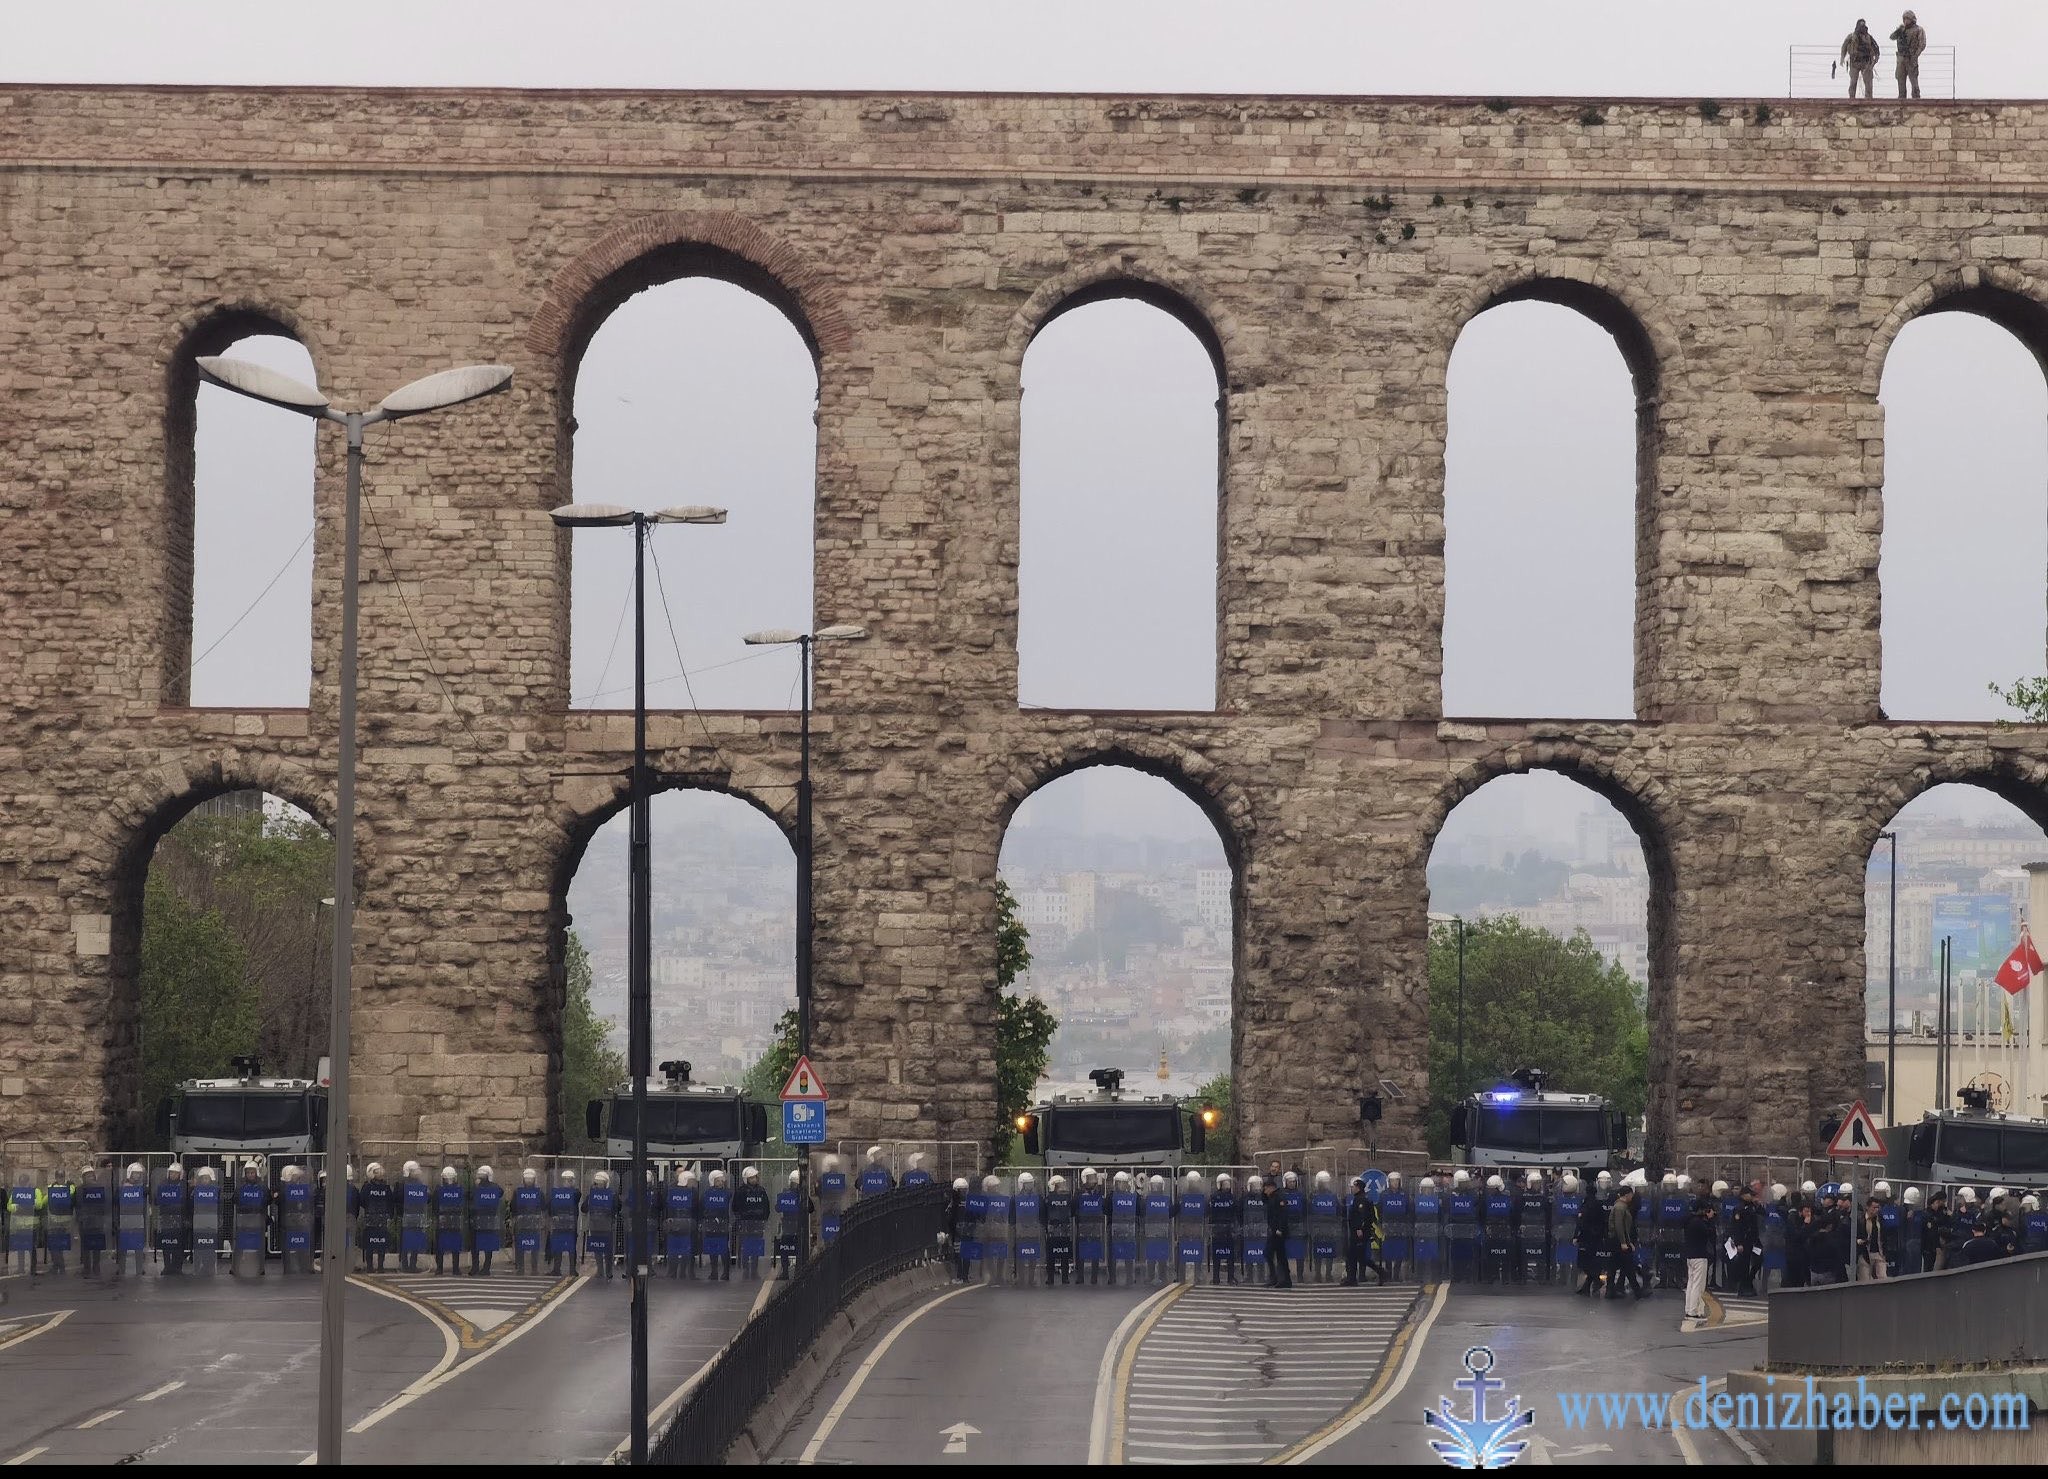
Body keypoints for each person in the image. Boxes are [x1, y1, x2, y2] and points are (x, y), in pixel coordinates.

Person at [1343, 1176, 1387, 1286]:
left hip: (1359, 1233)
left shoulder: (1361, 1200)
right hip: (1357, 1232)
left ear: (1358, 1188)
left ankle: (1379, 1273)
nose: (1352, 1189)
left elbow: (1361, 1216)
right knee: (1356, 1257)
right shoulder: (1358, 1198)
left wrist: (1359, 1228)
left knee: (1355, 1256)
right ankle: (1353, 1278)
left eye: (1353, 1187)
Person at [1607, 1186, 1647, 1300]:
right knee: (1627, 1266)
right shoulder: (1620, 1207)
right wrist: (1624, 1243)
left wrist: (1629, 1242)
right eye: (1631, 1194)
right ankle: (1637, 1292)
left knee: (1615, 1266)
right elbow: (1620, 1226)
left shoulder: (1622, 1206)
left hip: (1620, 1240)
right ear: (1627, 1195)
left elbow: (1625, 1227)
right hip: (1618, 1241)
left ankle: (1611, 1290)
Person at [1682, 1191, 1715, 1319]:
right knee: (1697, 1285)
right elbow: (1709, 1233)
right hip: (1699, 1256)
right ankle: (1693, 1311)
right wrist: (1710, 1220)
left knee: (1691, 1283)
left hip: (1690, 1255)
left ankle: (1689, 1308)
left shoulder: (1689, 1220)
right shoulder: (1698, 1223)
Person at [735, 1166, 771, 1279]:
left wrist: (764, 1218)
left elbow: (766, 1206)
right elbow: (735, 1207)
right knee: (745, 1246)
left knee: (756, 1246)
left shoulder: (761, 1191)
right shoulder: (741, 1191)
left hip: (758, 1222)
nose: (754, 1179)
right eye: (751, 1178)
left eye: (755, 1177)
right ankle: (746, 1269)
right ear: (746, 1179)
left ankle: (754, 1270)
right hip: (745, 1222)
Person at [154, 1163, 190, 1275]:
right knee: (166, 1243)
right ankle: (167, 1267)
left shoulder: (184, 1185)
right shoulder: (163, 1184)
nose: (173, 1175)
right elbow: (157, 1200)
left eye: (175, 1173)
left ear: (180, 1174)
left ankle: (177, 1267)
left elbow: (186, 1202)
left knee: (179, 1244)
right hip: (166, 1217)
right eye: (171, 1173)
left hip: (180, 1217)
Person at [469, 1165, 502, 1276]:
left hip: (477, 1219)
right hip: (490, 1220)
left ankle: (475, 1267)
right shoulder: (495, 1187)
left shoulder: (477, 1188)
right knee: (488, 1245)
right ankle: (486, 1268)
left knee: (475, 1245)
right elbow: (500, 1193)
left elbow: (470, 1197)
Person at [1729, 1186, 1761, 1297]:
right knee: (1744, 1265)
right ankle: (1743, 1288)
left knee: (1759, 1260)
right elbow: (1737, 1227)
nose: (1752, 1197)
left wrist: (1758, 1205)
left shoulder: (1751, 1207)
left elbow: (1761, 1215)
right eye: (1750, 1195)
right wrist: (1739, 1243)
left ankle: (1748, 1282)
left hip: (1753, 1240)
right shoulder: (1739, 1208)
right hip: (1744, 1241)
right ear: (1744, 1195)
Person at [434, 1167, 466, 1276]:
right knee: (455, 1246)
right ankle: (456, 1269)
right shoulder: (459, 1190)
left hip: (442, 1222)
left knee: (440, 1246)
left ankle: (439, 1269)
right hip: (455, 1222)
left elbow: (435, 1206)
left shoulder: (439, 1190)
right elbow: (462, 1205)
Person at [1264, 1173, 1294, 1288]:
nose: (1264, 1191)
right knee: (1274, 1254)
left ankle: (1283, 1279)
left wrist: (1279, 1229)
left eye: (1266, 1188)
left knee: (1275, 1254)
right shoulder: (1271, 1197)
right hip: (1274, 1230)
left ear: (1271, 1187)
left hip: (1278, 1231)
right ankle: (1280, 1278)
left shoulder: (1279, 1196)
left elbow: (1283, 1214)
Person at [1840, 18, 1880, 98]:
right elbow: (1844, 46)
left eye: (1863, 24)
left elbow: (1875, 48)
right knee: (1853, 82)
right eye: (1860, 24)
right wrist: (1842, 57)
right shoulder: (1852, 36)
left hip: (1866, 62)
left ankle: (1868, 100)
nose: (1862, 26)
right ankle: (1852, 98)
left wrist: (1876, 58)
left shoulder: (1868, 37)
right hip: (1855, 62)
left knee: (1868, 83)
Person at [1890, 10, 1926, 98]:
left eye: (1908, 18)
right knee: (1900, 78)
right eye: (1904, 19)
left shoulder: (1919, 29)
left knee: (1913, 79)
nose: (1906, 21)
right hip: (1901, 58)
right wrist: (1899, 30)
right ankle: (1901, 97)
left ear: (1912, 19)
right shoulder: (1901, 30)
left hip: (1911, 58)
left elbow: (1922, 44)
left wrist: (1915, 55)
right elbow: (1892, 37)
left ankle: (1916, 97)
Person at [944, 1177, 971, 1283]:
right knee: (961, 1254)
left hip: (961, 1231)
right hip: (964, 1230)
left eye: (965, 1190)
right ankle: (963, 1276)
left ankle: (963, 1276)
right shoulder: (957, 1202)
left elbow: (949, 1217)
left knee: (961, 1254)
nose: (963, 1192)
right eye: (962, 1190)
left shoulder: (954, 1203)